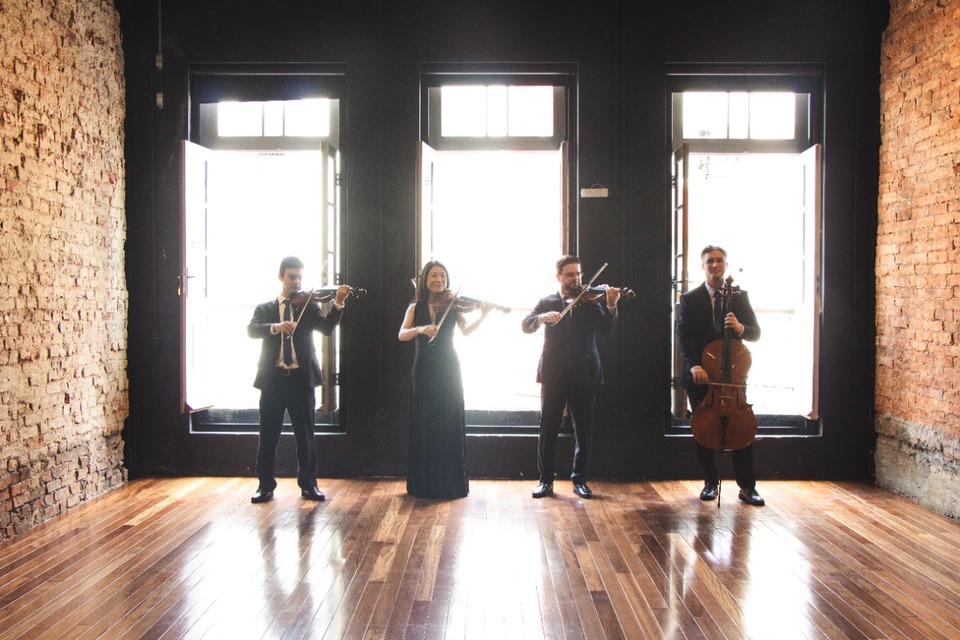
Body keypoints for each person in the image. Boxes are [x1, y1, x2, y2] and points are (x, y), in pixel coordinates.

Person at [247, 256, 352, 504]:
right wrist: (276, 326)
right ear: (281, 277)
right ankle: (265, 486)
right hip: (272, 381)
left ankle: (309, 484)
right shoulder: (265, 308)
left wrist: (338, 303)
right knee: (268, 434)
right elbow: (252, 329)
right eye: (292, 277)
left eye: (300, 278)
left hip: (300, 380)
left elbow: (326, 328)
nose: (296, 283)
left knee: (305, 435)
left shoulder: (309, 307)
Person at [521, 256, 620, 499]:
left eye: (578, 274)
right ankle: (545, 480)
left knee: (583, 429)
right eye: (569, 274)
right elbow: (526, 324)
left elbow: (607, 330)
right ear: (559, 277)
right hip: (554, 371)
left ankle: (580, 480)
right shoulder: (547, 301)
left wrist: (611, 305)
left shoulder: (589, 301)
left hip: (584, 371)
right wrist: (542, 318)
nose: (575, 279)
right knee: (548, 428)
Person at [676, 245, 764, 506]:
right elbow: (683, 338)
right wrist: (694, 365)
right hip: (702, 375)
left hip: (732, 377)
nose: (715, 265)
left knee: (741, 429)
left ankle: (747, 486)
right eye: (710, 262)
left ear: (726, 265)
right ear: (702, 266)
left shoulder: (739, 296)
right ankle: (710, 482)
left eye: (720, 261)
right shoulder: (690, 299)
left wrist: (740, 327)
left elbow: (755, 333)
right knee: (704, 429)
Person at [398, 261, 492, 499]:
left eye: (442, 276)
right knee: (424, 420)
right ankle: (424, 483)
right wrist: (421, 329)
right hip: (424, 365)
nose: (439, 280)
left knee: (448, 418)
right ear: (425, 279)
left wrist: (484, 314)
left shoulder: (454, 304)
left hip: (448, 364)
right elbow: (401, 334)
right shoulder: (414, 307)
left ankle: (450, 483)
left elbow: (467, 331)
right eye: (433, 276)